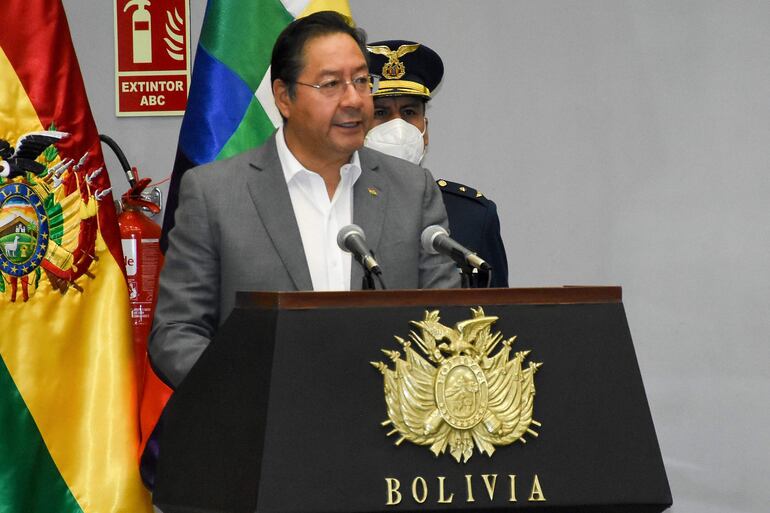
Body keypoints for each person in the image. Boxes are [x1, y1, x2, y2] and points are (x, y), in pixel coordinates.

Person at [149, 13, 459, 389]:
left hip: (386, 432)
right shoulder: (215, 193)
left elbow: (444, 319)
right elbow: (177, 332)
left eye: (361, 81)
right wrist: (246, 394)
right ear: (284, 97)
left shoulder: (412, 189)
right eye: (331, 84)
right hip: (259, 433)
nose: (353, 100)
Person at [364, 40, 509, 287]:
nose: (398, 127)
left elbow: (495, 316)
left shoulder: (472, 215)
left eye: (410, 113)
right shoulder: (340, 210)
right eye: (380, 113)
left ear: (425, 131)